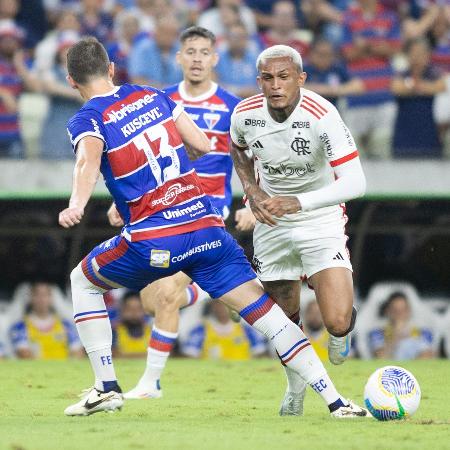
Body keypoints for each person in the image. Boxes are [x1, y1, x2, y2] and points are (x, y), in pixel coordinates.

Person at [59, 37, 368, 418]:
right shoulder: (151, 95)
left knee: (83, 280)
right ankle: (337, 403)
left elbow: (87, 163)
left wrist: (76, 204)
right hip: (207, 229)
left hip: (156, 236)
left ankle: (106, 387)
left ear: (71, 81)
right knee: (272, 318)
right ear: (111, 70)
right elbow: (203, 144)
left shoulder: (87, 119)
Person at [107, 26, 256, 400]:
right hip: (161, 213)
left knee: (169, 295)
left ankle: (150, 384)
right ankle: (208, 289)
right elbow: (141, 158)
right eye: (190, 51)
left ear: (215, 59)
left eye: (204, 52)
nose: (196, 59)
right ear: (178, 57)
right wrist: (120, 201)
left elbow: (255, 161)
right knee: (150, 300)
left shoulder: (232, 107)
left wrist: (251, 204)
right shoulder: (158, 101)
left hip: (205, 215)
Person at [230, 44, 366, 416]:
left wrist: (299, 202)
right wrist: (251, 189)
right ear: (259, 81)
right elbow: (238, 150)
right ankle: (295, 390)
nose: (275, 85)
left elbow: (356, 182)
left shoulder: (322, 115)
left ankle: (341, 334)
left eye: (284, 77)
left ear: (301, 79)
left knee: (336, 319)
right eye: (268, 78)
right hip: (272, 222)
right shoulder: (244, 113)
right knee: (284, 317)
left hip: (319, 217)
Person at [391, 38, 446, 158]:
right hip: (404, 137)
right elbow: (396, 88)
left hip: (429, 136)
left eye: (420, 54)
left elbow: (441, 87)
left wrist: (413, 87)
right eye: (413, 53)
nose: (416, 58)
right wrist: (423, 88)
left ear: (427, 55)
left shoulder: (434, 73)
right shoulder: (402, 74)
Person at [9, 281, 83, 359]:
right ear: (31, 298)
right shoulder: (20, 326)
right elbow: (24, 355)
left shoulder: (65, 325)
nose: (42, 300)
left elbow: (78, 352)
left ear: (51, 298)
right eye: (37, 295)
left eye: (45, 295)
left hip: (64, 369)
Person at [183, 300, 268, 360]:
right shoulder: (200, 331)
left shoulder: (246, 330)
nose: (221, 308)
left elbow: (260, 354)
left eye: (225, 304)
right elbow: (190, 357)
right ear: (212, 306)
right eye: (217, 304)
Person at [368, 292, 434, 359]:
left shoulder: (422, 330)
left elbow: (428, 356)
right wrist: (397, 336)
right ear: (388, 311)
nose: (400, 314)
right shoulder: (378, 332)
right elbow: (380, 356)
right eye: (395, 310)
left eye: (403, 310)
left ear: (409, 311)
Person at [112, 291, 151, 358]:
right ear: (122, 310)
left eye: (138, 309)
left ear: (144, 310)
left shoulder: (152, 332)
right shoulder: (114, 332)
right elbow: (113, 355)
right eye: (129, 309)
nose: (134, 313)